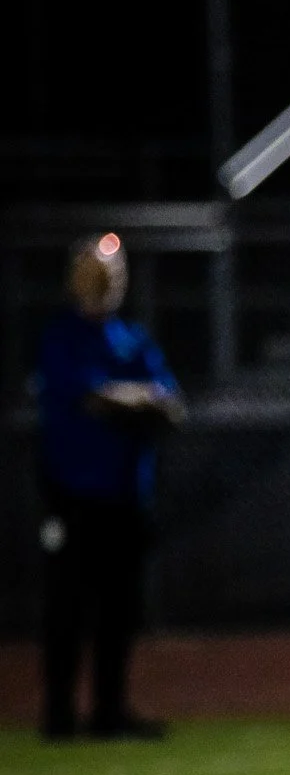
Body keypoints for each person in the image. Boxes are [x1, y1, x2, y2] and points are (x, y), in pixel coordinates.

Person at [34, 233, 182, 741]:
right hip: (72, 493)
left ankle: (109, 710)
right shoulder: (62, 337)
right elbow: (90, 398)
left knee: (120, 610)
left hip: (124, 495)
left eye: (114, 274)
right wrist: (137, 399)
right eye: (96, 273)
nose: (106, 284)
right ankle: (58, 712)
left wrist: (130, 398)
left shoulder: (133, 339)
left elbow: (171, 405)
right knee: (66, 607)